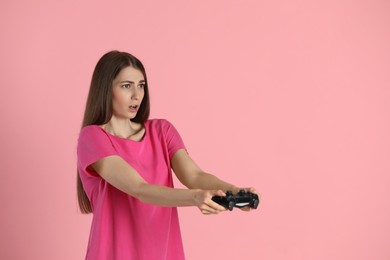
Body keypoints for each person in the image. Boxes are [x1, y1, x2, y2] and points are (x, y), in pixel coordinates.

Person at [76, 50, 259, 260]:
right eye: (127, 86)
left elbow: (195, 176)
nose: (137, 95)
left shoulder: (162, 131)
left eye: (141, 85)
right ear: (105, 89)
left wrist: (233, 191)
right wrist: (196, 198)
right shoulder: (93, 138)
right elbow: (139, 189)